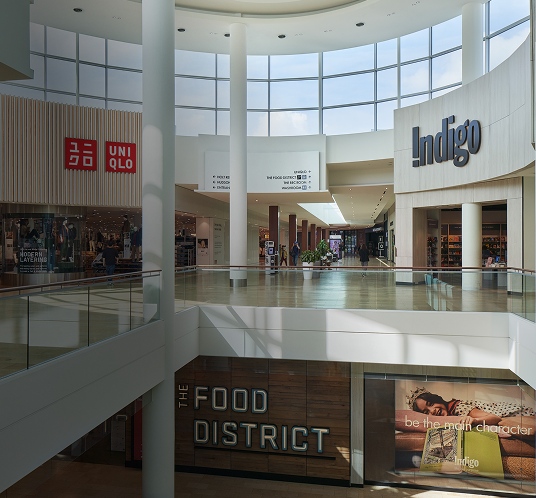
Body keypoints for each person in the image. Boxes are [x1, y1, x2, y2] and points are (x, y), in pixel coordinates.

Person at [405, 386, 536, 433]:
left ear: (437, 399)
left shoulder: (458, 407)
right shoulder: (449, 418)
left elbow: (496, 418)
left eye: (431, 404)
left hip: (521, 415)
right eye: (426, 412)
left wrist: (474, 420)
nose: (432, 411)